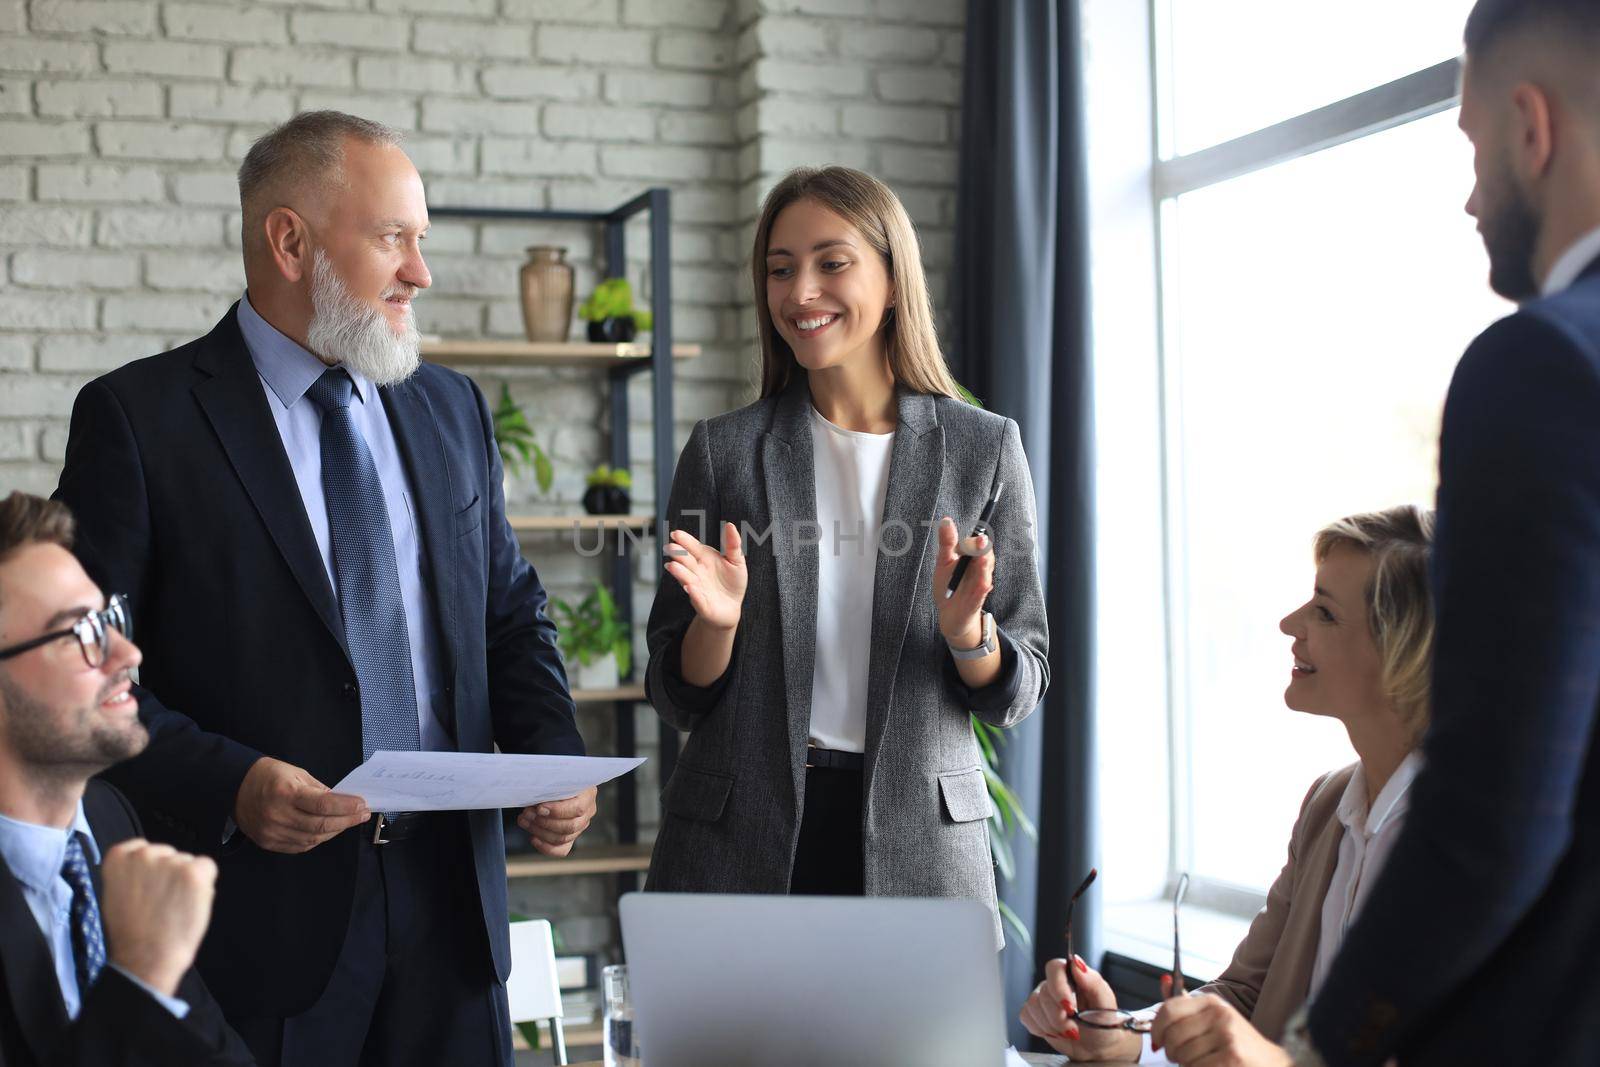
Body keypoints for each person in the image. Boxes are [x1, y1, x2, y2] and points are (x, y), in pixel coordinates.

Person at [52, 111, 596, 1066]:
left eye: (419, 240)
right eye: (394, 238)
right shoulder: (138, 420)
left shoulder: (450, 406)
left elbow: (509, 612)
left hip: (455, 919)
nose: (420, 272)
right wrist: (235, 782)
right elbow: (82, 669)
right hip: (260, 925)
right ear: (291, 240)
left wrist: (553, 753)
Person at [1277, 2, 1600, 1063]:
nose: (1469, 194)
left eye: (1470, 143)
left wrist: (1329, 1041)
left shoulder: (1542, 365)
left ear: (1529, 126)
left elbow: (1498, 804)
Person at [641, 165, 1050, 942]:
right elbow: (675, 692)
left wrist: (971, 638)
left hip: (920, 851)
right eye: (780, 268)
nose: (801, 293)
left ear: (893, 280)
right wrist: (718, 627)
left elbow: (1019, 683)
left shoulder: (983, 449)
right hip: (739, 844)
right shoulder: (725, 453)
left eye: (832, 262)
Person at [1020, 506, 1435, 1065]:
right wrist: (1118, 1038)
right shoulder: (1328, 805)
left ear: (1402, 653)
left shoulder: (1467, 848)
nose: (1291, 624)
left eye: (1326, 612)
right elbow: (1244, 998)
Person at [0, 491, 252, 1066]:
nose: (126, 654)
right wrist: (141, 976)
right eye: (78, 633)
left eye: (107, 619)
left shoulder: (110, 821)